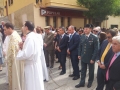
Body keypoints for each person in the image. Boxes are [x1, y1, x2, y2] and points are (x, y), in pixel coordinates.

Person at [17, 21, 44, 90]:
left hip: (31, 66)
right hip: (35, 64)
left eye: (23, 26)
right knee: (36, 84)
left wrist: (19, 51)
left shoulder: (30, 38)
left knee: (31, 84)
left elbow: (26, 54)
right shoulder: (33, 36)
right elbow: (31, 50)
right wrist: (23, 47)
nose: (22, 28)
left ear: (26, 27)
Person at [75, 24, 99, 88]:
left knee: (91, 71)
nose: (85, 30)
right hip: (83, 56)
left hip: (90, 57)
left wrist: (93, 58)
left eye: (87, 29)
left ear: (90, 29)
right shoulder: (82, 36)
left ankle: (90, 82)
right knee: (83, 70)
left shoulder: (94, 37)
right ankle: (82, 82)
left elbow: (96, 49)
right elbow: (80, 46)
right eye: (84, 29)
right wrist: (79, 54)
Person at [3, 22, 23, 90]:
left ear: (10, 28)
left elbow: (12, 53)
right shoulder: (12, 35)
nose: (4, 31)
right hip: (15, 61)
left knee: (15, 79)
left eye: (5, 29)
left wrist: (6, 60)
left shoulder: (14, 37)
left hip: (14, 63)